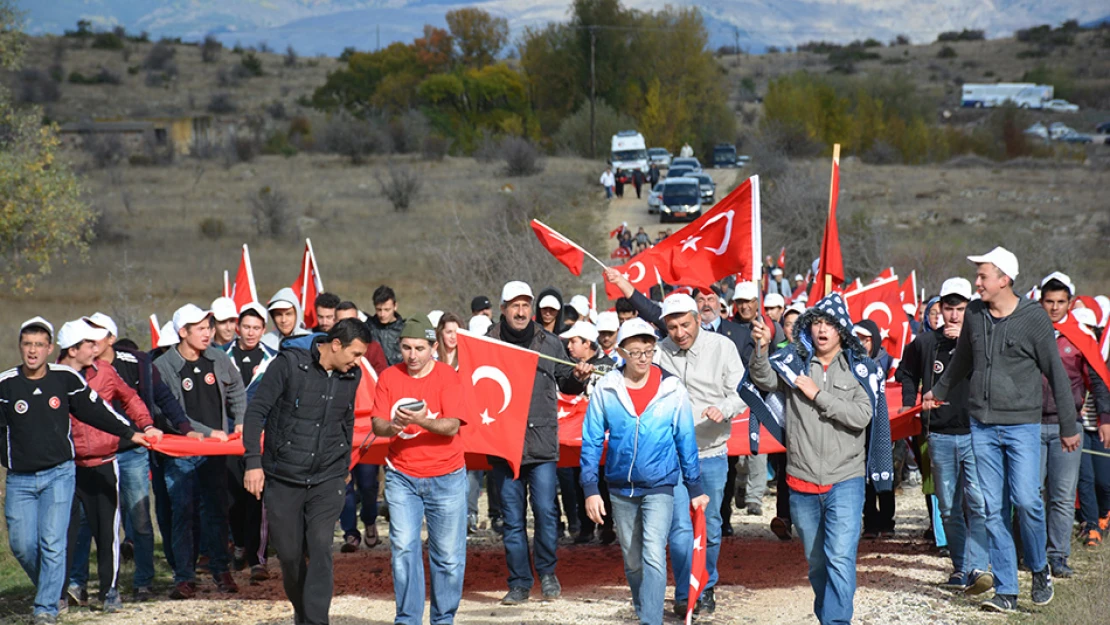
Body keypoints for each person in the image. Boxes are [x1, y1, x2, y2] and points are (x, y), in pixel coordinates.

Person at [924, 247, 1078, 613]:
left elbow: (1057, 373)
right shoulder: (975, 314)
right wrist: (939, 391)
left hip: (1023, 425)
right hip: (982, 425)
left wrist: (1070, 427)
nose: (977, 283)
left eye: (983, 276)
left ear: (1004, 279)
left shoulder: (1034, 319)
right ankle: (1007, 590)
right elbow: (962, 359)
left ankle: (1040, 568)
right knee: (993, 508)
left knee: (1027, 500)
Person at [604, 268, 745, 617]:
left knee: (709, 526)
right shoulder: (659, 351)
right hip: (671, 456)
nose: (680, 333)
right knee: (679, 528)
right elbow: (627, 365)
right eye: (672, 327)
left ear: (698, 318)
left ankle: (706, 584)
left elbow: (742, 392)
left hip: (711, 451)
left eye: (686, 325)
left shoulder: (723, 347)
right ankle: (686, 592)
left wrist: (724, 409)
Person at [3, 317, 150, 624]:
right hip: (40, 474)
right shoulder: (18, 382)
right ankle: (59, 587)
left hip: (76, 469)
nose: (33, 351)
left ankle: (57, 604)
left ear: (50, 347)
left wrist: (135, 431)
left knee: (69, 539)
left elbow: (102, 409)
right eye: (27, 344)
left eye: (39, 345)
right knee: (34, 542)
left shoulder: (83, 376)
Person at [749, 294, 883, 625]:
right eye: (817, 322)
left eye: (830, 324)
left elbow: (861, 416)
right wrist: (762, 349)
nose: (822, 330)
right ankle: (828, 616)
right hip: (801, 479)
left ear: (842, 329)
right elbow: (763, 380)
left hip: (846, 480)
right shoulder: (793, 362)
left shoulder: (859, 368)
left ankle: (837, 622)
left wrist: (817, 395)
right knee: (817, 563)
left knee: (840, 557)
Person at [580, 317, 709, 625]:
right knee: (633, 559)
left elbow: (686, 440)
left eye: (648, 351)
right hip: (620, 487)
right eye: (635, 351)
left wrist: (695, 487)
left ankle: (650, 620)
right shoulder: (606, 389)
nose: (642, 358)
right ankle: (645, 608)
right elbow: (591, 440)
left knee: (653, 553)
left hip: (660, 485)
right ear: (621, 353)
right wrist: (589, 489)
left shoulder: (672, 389)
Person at [243, 319, 370, 625]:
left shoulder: (352, 375)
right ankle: (304, 612)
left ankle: (316, 621)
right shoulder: (287, 365)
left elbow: (346, 421)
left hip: (328, 477)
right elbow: (256, 411)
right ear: (335, 345)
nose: (358, 362)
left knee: (321, 545)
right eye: (355, 353)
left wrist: (343, 467)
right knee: (289, 556)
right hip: (284, 477)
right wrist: (253, 462)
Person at [489, 281, 591, 606]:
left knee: (546, 512)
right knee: (512, 518)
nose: (520, 312)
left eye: (525, 305)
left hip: (542, 441)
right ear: (503, 308)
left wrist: (578, 377)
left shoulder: (549, 343)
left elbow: (567, 384)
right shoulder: (487, 341)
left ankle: (547, 573)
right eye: (514, 305)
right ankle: (519, 582)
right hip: (504, 444)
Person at [80, 314, 192, 602]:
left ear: (111, 339)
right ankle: (79, 584)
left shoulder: (136, 363)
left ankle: (143, 581)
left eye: (96, 334)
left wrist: (183, 428)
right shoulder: (76, 367)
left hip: (131, 452)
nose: (89, 339)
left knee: (139, 517)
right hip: (93, 456)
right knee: (88, 521)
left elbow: (160, 398)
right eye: (87, 334)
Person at [895, 278, 992, 595]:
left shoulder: (982, 340)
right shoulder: (925, 343)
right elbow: (904, 372)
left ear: (970, 309)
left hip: (976, 432)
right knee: (948, 507)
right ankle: (961, 568)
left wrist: (967, 341)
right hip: (937, 434)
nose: (953, 315)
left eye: (960, 308)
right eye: (948, 308)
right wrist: (911, 407)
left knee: (977, 503)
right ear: (939, 310)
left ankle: (979, 567)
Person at [57, 320, 162, 613]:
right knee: (64, 533)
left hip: (104, 462)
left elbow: (129, 398)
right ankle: (62, 592)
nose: (97, 349)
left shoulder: (104, 371)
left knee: (108, 532)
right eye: (91, 344)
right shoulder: (52, 378)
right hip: (66, 466)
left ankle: (109, 591)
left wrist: (147, 425)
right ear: (73, 348)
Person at [369, 317, 468, 624]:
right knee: (403, 548)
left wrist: (419, 420)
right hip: (401, 476)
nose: (412, 355)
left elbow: (451, 425)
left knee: (449, 557)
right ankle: (408, 618)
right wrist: (393, 425)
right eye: (406, 348)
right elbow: (377, 424)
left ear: (434, 348)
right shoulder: (388, 377)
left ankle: (443, 619)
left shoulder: (448, 377)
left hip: (447, 475)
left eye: (420, 349)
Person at [153, 304, 247, 599]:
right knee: (183, 512)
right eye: (202, 328)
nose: (208, 333)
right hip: (180, 452)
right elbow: (168, 412)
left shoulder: (217, 357)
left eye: (209, 327)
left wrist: (241, 419)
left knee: (218, 510)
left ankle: (221, 569)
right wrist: (206, 432)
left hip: (216, 451)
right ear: (183, 332)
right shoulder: (164, 366)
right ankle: (184, 576)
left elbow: (237, 389)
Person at [1037, 272, 1110, 578]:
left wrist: (1105, 419)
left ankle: (1058, 556)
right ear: (1041, 302)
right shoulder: (1029, 330)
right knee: (1029, 494)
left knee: (1063, 495)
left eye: (1060, 302)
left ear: (1069, 302)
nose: (1054, 308)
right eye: (1049, 301)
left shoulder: (1081, 335)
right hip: (1027, 424)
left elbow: (1098, 378)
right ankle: (1032, 552)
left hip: (1068, 426)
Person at [223, 302, 278, 580]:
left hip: (261, 438)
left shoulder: (273, 359)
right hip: (229, 438)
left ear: (263, 330)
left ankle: (259, 559)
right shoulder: (221, 357)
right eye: (246, 327)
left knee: (258, 496)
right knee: (233, 497)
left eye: (256, 328)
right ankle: (240, 545)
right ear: (237, 327)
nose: (251, 332)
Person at [559, 322, 617, 544]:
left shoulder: (609, 368)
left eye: (573, 342)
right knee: (577, 480)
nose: (569, 347)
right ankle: (584, 526)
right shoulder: (566, 366)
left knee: (603, 480)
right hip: (574, 438)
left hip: (602, 438)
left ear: (587, 343)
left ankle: (606, 525)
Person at [369, 285, 406, 366]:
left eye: (387, 309)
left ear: (395, 306)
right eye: (379, 309)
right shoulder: (367, 328)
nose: (382, 314)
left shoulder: (405, 329)